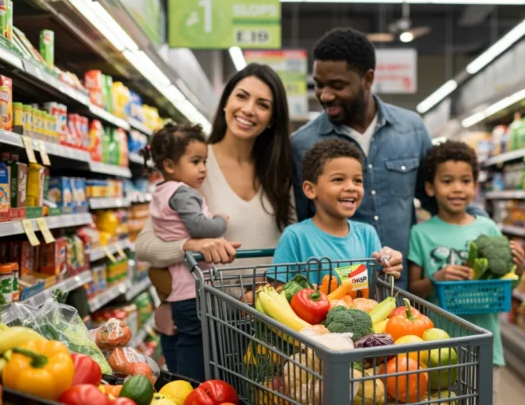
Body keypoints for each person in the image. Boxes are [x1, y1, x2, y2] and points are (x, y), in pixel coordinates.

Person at [291, 28, 485, 291]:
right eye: (319, 85)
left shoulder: (411, 129)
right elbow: (303, 218)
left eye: (337, 86)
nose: (325, 95)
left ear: (367, 78)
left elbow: (434, 195)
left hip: (405, 286)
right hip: (341, 293)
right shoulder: (304, 144)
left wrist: (481, 224)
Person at [135, 63, 296, 381]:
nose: (248, 109)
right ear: (226, 101)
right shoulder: (194, 163)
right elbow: (145, 246)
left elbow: (293, 240)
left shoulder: (278, 171)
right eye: (242, 96)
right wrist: (192, 245)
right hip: (204, 324)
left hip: (264, 329)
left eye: (263, 105)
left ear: (272, 119)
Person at [407, 141, 525, 405]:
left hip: (485, 344)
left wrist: (520, 267)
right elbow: (414, 289)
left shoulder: (488, 228)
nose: (457, 188)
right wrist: (436, 279)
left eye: (465, 180)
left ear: (474, 185)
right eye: (447, 181)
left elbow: (507, 287)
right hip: (438, 348)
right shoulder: (421, 233)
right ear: (430, 187)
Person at [142, 123, 229, 374]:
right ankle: (191, 391)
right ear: (170, 166)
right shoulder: (183, 193)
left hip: (176, 288)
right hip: (191, 288)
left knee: (178, 342)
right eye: (195, 161)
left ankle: (177, 388)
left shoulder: (162, 190)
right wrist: (221, 221)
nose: (203, 168)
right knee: (195, 348)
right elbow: (200, 227)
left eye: (204, 161)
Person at [272, 139, 403, 283]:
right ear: (310, 189)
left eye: (358, 180)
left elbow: (378, 280)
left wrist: (388, 265)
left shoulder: (367, 234)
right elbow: (280, 290)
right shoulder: (295, 237)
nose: (351, 187)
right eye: (338, 179)